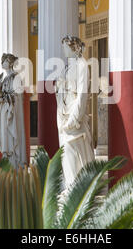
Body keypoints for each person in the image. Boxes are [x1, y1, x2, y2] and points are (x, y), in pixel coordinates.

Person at [56, 35, 95, 187]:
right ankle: (70, 185)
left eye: (66, 46)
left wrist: (75, 117)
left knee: (74, 150)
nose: (63, 49)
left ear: (75, 48)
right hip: (64, 113)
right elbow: (60, 91)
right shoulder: (67, 67)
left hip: (74, 115)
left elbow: (82, 94)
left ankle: (77, 187)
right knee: (66, 153)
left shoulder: (82, 65)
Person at [0, 53, 27, 168]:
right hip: (4, 111)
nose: (3, 63)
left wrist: (4, 97)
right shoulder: (4, 79)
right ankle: (7, 159)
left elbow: (17, 96)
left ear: (11, 63)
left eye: (5, 61)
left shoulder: (16, 77)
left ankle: (14, 162)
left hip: (11, 112)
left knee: (11, 136)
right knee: (4, 136)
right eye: (2, 60)